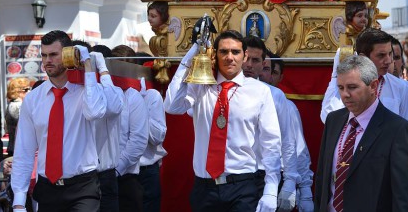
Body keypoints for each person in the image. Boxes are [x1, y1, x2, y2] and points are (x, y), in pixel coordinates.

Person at [164, 29, 282, 212]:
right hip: (205, 188)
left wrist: (271, 189)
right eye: (223, 52)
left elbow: (271, 142)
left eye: (235, 52)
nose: (229, 57)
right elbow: (171, 105)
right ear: (215, 55)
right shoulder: (200, 87)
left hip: (242, 186)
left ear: (245, 56)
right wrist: (193, 54)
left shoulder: (260, 91)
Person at [11, 30, 107, 212]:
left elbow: (95, 112)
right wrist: (18, 201)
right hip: (47, 189)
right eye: (44, 55)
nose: (48, 60)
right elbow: (24, 151)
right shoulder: (33, 100)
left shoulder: (86, 91)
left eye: (54, 55)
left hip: (83, 187)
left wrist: (87, 66)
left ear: (68, 55)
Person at [314, 55, 408, 212]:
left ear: (373, 86)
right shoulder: (333, 121)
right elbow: (323, 177)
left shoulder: (397, 130)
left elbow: (405, 196)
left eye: (352, 87)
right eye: (341, 88)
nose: (345, 94)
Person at [321, 28, 408, 171]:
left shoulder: (400, 88)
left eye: (390, 54)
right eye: (381, 55)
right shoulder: (345, 86)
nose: (388, 61)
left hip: (386, 169)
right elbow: (328, 117)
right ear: (364, 57)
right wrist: (335, 77)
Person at [250, 45, 314, 212]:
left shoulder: (284, 103)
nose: (263, 74)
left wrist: (303, 189)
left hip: (275, 178)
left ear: (274, 76)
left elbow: (296, 146)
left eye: (268, 70)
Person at [112, 45, 149, 212]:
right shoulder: (104, 93)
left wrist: (118, 169)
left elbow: (138, 140)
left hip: (125, 177)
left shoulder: (133, 97)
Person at [91, 51, 124, 212]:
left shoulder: (109, 91)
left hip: (104, 175)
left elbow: (114, 106)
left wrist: (103, 70)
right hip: (78, 178)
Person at [138, 77, 167, 212]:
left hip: (146, 171)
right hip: (117, 173)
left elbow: (156, 137)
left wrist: (140, 105)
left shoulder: (151, 96)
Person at [6, 77, 31, 157]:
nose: (29, 91)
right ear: (18, 91)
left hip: (14, 147)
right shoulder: (19, 106)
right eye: (26, 89)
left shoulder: (11, 104)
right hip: (20, 150)